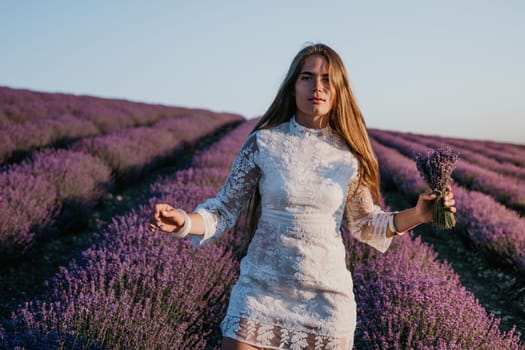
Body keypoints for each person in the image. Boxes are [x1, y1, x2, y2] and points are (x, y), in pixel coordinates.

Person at [149, 43, 456, 350]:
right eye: (307, 77)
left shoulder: (350, 156)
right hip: (259, 292)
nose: (317, 87)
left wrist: (419, 215)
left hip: (325, 301)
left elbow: (364, 224)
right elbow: (223, 209)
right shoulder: (264, 143)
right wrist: (184, 222)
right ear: (293, 85)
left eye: (327, 79)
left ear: (339, 90)